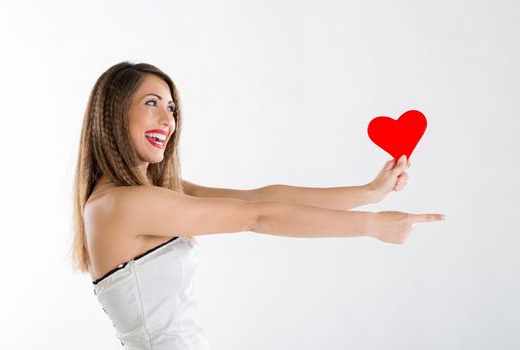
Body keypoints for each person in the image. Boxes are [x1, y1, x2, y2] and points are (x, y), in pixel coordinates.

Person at [70, 61, 445, 349]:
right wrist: (373, 226)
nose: (167, 119)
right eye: (151, 103)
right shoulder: (121, 204)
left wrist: (368, 193)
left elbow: (260, 198)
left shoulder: (145, 194)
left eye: (170, 108)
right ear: (114, 113)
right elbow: (256, 217)